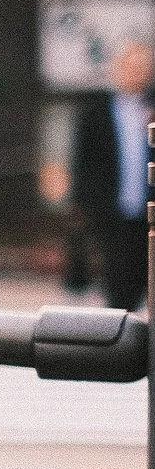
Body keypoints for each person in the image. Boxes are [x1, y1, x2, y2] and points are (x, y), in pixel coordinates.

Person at [69, 36, 153, 314]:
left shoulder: (150, 110)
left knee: (145, 282)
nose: (135, 72)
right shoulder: (96, 113)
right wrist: (88, 206)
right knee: (119, 288)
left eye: (142, 67)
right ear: (116, 69)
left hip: (148, 212)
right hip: (113, 214)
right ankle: (119, 347)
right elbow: (83, 163)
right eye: (129, 65)